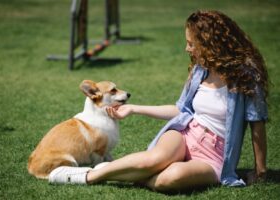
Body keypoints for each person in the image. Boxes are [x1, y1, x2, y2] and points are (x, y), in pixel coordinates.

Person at [48, 10, 268, 192]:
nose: (187, 49)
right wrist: (132, 109)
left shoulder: (246, 76)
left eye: (192, 44)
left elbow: (257, 125)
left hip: (215, 155)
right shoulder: (201, 70)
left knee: (168, 179)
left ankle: (119, 171)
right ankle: (88, 176)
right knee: (151, 161)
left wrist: (260, 171)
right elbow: (179, 110)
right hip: (186, 133)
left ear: (209, 43)